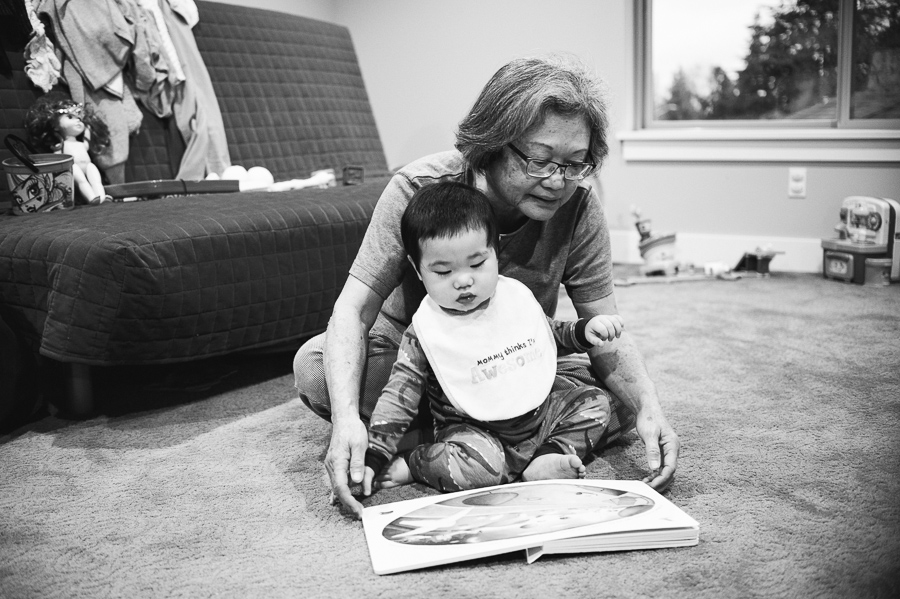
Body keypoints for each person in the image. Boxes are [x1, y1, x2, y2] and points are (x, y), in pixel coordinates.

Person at [294, 54, 680, 518]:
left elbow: (601, 324)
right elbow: (352, 311)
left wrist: (649, 406)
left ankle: (490, 446)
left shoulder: (580, 205)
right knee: (318, 369)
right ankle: (453, 438)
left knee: (619, 390)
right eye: (540, 160)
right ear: (492, 143)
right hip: (422, 362)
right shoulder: (417, 188)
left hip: (517, 354)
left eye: (575, 163)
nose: (558, 181)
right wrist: (345, 423)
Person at [363, 181, 624, 494]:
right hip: (473, 432)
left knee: (599, 403)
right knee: (478, 470)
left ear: (495, 252)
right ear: (418, 270)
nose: (463, 280)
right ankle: (417, 461)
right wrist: (376, 454)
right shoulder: (425, 332)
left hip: (541, 414)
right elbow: (398, 397)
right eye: (443, 272)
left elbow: (546, 334)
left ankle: (547, 455)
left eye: (477, 263)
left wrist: (582, 331)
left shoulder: (511, 297)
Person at [24, 95, 112, 205]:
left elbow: (87, 143)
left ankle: (102, 197)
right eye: (70, 117)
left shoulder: (82, 143)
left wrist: (88, 129)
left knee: (97, 181)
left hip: (88, 165)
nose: (77, 121)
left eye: (79, 119)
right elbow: (57, 159)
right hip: (73, 166)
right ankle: (91, 198)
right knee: (82, 181)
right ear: (55, 126)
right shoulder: (61, 145)